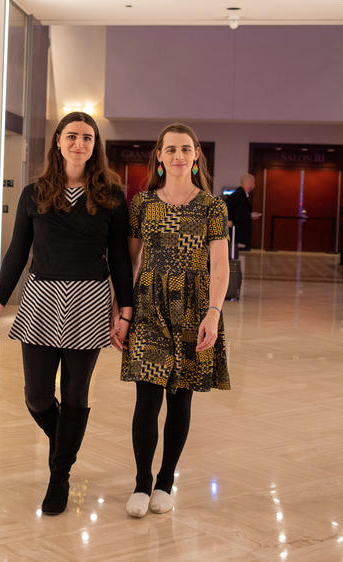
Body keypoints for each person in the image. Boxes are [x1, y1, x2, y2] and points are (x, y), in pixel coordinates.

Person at [0, 111, 133, 516]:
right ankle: (64, 440)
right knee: (37, 395)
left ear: (95, 144)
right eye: (72, 137)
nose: (79, 143)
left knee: (76, 393)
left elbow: (119, 258)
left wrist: (126, 312)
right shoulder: (34, 194)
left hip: (91, 299)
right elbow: (16, 254)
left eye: (87, 137)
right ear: (58, 143)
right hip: (42, 297)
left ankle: (59, 475)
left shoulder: (113, 197)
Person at [112, 123, 230, 518]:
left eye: (185, 149)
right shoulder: (143, 203)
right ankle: (142, 483)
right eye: (170, 150)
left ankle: (166, 481)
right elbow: (129, 261)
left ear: (196, 155)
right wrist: (122, 309)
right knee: (146, 400)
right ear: (159, 157)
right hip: (148, 306)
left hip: (194, 309)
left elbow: (219, 265)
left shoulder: (213, 206)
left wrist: (213, 313)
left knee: (180, 399)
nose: (178, 156)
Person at [224, 173, 261, 250]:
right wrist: (228, 220)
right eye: (254, 183)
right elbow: (226, 206)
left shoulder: (242, 194)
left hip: (239, 235)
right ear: (250, 183)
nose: (254, 185)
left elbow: (239, 212)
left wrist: (250, 215)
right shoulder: (239, 194)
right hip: (238, 234)